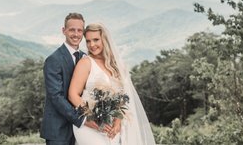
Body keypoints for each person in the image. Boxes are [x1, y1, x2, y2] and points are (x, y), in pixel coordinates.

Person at [68, 23, 156, 145]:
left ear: (105, 40)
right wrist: (92, 117)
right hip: (88, 126)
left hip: (110, 126)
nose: (92, 45)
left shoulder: (117, 66)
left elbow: (122, 98)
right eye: (88, 41)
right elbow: (73, 94)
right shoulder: (85, 63)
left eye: (96, 40)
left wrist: (117, 123)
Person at [40, 13, 99, 145]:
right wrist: (83, 119)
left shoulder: (85, 58)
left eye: (79, 30)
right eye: (72, 30)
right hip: (59, 130)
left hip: (81, 131)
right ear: (64, 31)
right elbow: (56, 97)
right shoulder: (53, 60)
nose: (76, 34)